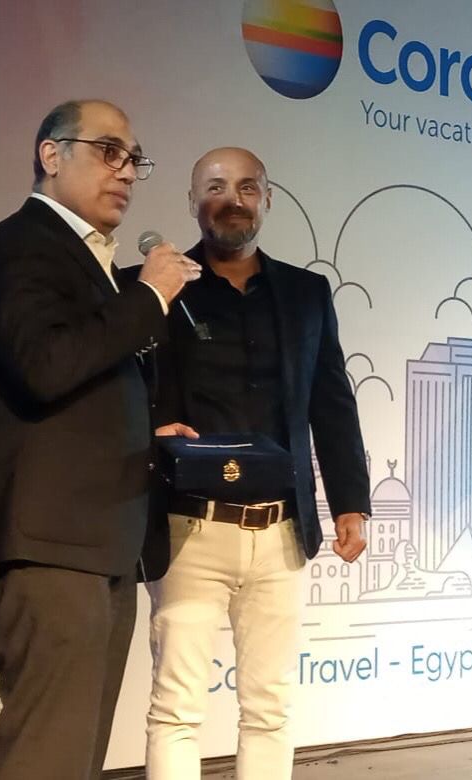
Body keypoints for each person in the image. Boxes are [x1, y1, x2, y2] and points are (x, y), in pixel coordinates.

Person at [0, 99, 201, 780]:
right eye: (108, 151)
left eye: (134, 160)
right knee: (47, 760)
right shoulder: (19, 246)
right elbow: (45, 366)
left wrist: (144, 430)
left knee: (74, 762)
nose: (125, 171)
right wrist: (149, 298)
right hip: (48, 548)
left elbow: (76, 382)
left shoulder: (83, 260)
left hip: (96, 547)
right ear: (52, 154)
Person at [145, 147, 371, 780]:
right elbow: (121, 392)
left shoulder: (306, 293)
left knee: (270, 710)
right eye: (216, 186)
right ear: (193, 201)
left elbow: (332, 400)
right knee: (176, 710)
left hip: (281, 531)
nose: (233, 199)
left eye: (248, 187)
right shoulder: (155, 288)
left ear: (266, 200)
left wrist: (351, 502)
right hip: (188, 528)